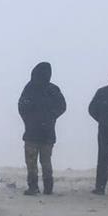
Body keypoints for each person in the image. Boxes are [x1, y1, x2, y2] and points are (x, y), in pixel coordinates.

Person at [17, 61, 66, 195]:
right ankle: (48, 187)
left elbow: (21, 106)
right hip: (47, 133)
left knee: (31, 162)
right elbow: (62, 106)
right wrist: (51, 117)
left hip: (32, 132)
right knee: (46, 162)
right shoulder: (53, 89)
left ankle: (33, 187)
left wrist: (29, 120)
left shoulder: (30, 88)